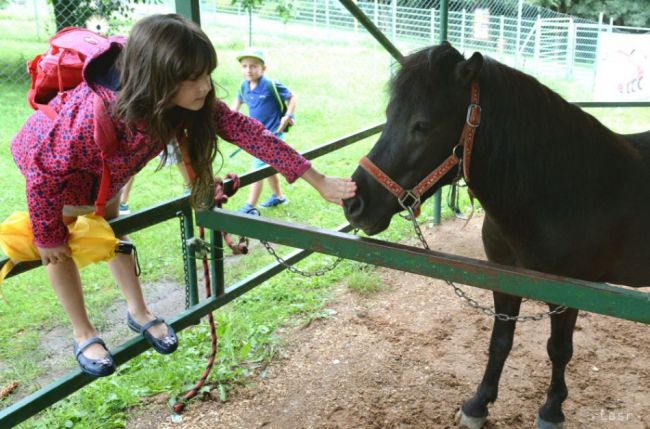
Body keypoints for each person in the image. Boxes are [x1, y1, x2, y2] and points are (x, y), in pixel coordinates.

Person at [10, 13, 356, 378]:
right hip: (60, 178)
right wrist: (47, 236)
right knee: (57, 247)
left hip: (110, 171)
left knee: (114, 227)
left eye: (206, 73)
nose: (206, 86)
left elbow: (247, 131)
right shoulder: (90, 117)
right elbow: (43, 171)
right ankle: (84, 332)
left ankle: (139, 312)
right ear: (156, 79)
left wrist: (316, 179)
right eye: (193, 78)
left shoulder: (170, 98)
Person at [231, 48, 296, 215]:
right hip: (255, 136)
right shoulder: (243, 86)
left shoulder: (269, 85)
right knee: (268, 166)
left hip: (272, 135)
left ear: (263, 68)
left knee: (257, 169)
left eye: (253, 66)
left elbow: (292, 97)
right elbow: (235, 106)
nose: (248, 70)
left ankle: (249, 205)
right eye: (244, 66)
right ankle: (279, 196)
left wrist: (287, 116)